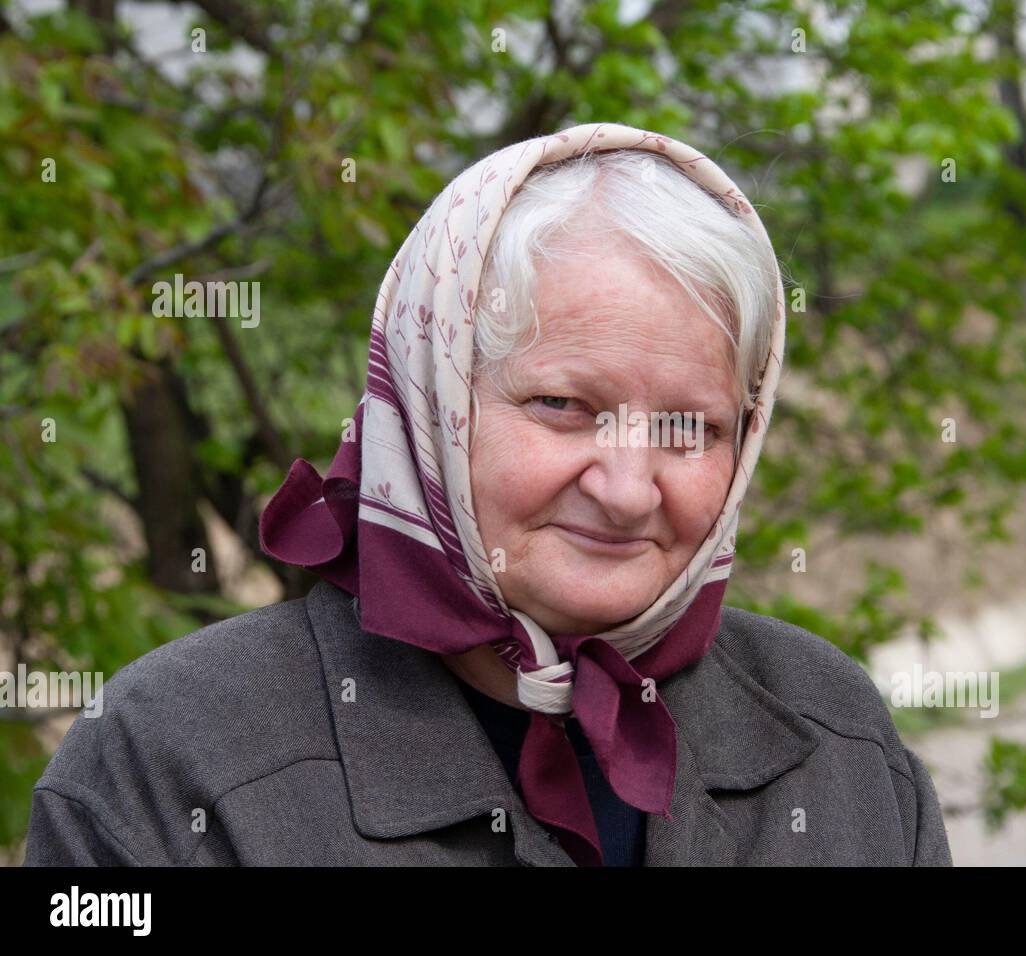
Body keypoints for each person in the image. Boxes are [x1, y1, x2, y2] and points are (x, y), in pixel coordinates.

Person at [24, 122, 952, 866]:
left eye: (690, 427)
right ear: (432, 407)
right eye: (563, 406)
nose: (629, 490)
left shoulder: (834, 736)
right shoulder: (170, 758)